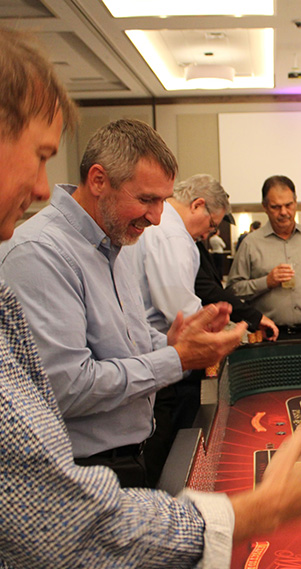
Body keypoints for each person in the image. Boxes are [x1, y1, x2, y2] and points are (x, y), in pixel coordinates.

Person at [0, 19, 301, 569]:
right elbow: (58, 523)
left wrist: (172, 344)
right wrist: (249, 513)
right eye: (39, 156)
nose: (42, 188)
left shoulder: (103, 251)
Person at [0, 119, 246, 488]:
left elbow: (125, 341)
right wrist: (176, 358)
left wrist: (172, 341)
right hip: (79, 473)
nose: (157, 218)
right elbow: (68, 387)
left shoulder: (117, 241)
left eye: (163, 201)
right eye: (146, 200)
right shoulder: (39, 252)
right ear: (99, 180)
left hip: (127, 457)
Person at [122, 173, 278, 484]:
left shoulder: (166, 231)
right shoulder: (172, 235)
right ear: (197, 205)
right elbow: (179, 310)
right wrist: (226, 332)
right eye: (211, 225)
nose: (209, 234)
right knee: (163, 448)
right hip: (161, 357)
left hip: (152, 351)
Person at [227, 175, 301, 340]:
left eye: (288, 205)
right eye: (275, 207)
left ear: (296, 203)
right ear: (265, 207)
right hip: (271, 336)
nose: (283, 212)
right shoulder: (251, 244)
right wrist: (266, 282)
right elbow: (233, 291)